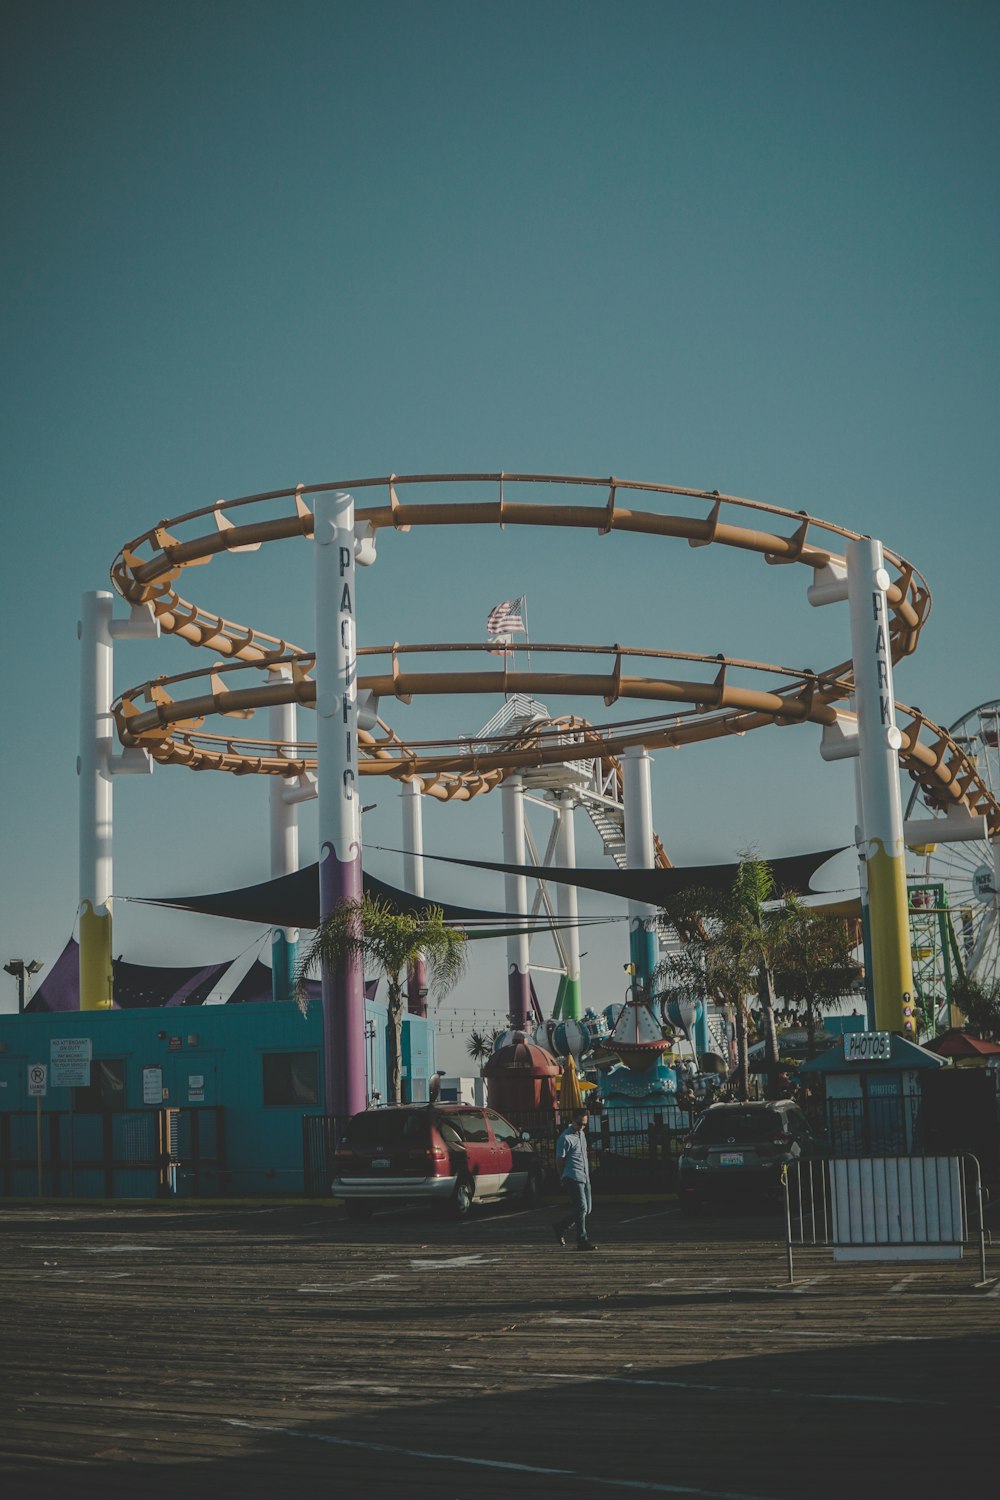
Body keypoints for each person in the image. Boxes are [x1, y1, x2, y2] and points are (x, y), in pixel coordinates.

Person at [553, 1108, 597, 1250]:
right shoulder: (565, 1138)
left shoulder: (581, 1134)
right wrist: (561, 1176)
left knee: (586, 1209)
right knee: (582, 1208)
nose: (582, 1127)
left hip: (584, 1176)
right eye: (579, 1123)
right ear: (572, 1120)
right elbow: (559, 1160)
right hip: (572, 1176)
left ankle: (561, 1226)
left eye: (585, 1124)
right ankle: (582, 1240)